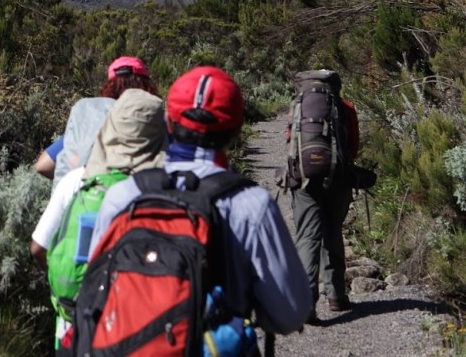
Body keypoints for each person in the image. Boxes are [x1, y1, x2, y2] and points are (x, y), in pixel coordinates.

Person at [88, 66, 311, 338]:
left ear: (168, 124)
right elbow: (289, 313)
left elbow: (94, 289)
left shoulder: (123, 195)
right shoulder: (251, 204)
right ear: (236, 131)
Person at [29, 87, 168, 345]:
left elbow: (38, 247)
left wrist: (61, 287)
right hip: (134, 329)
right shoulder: (162, 192)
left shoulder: (76, 180)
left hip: (74, 325)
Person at [291, 97, 361, 322]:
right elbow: (354, 147)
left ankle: (305, 302)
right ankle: (336, 296)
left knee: (307, 237)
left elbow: (290, 143)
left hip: (305, 180)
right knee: (333, 231)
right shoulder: (346, 106)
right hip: (338, 178)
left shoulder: (299, 105)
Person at [52, 56, 158, 190]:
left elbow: (43, 165)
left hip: (78, 197)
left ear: (109, 85)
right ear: (146, 86)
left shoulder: (86, 114)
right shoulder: (153, 118)